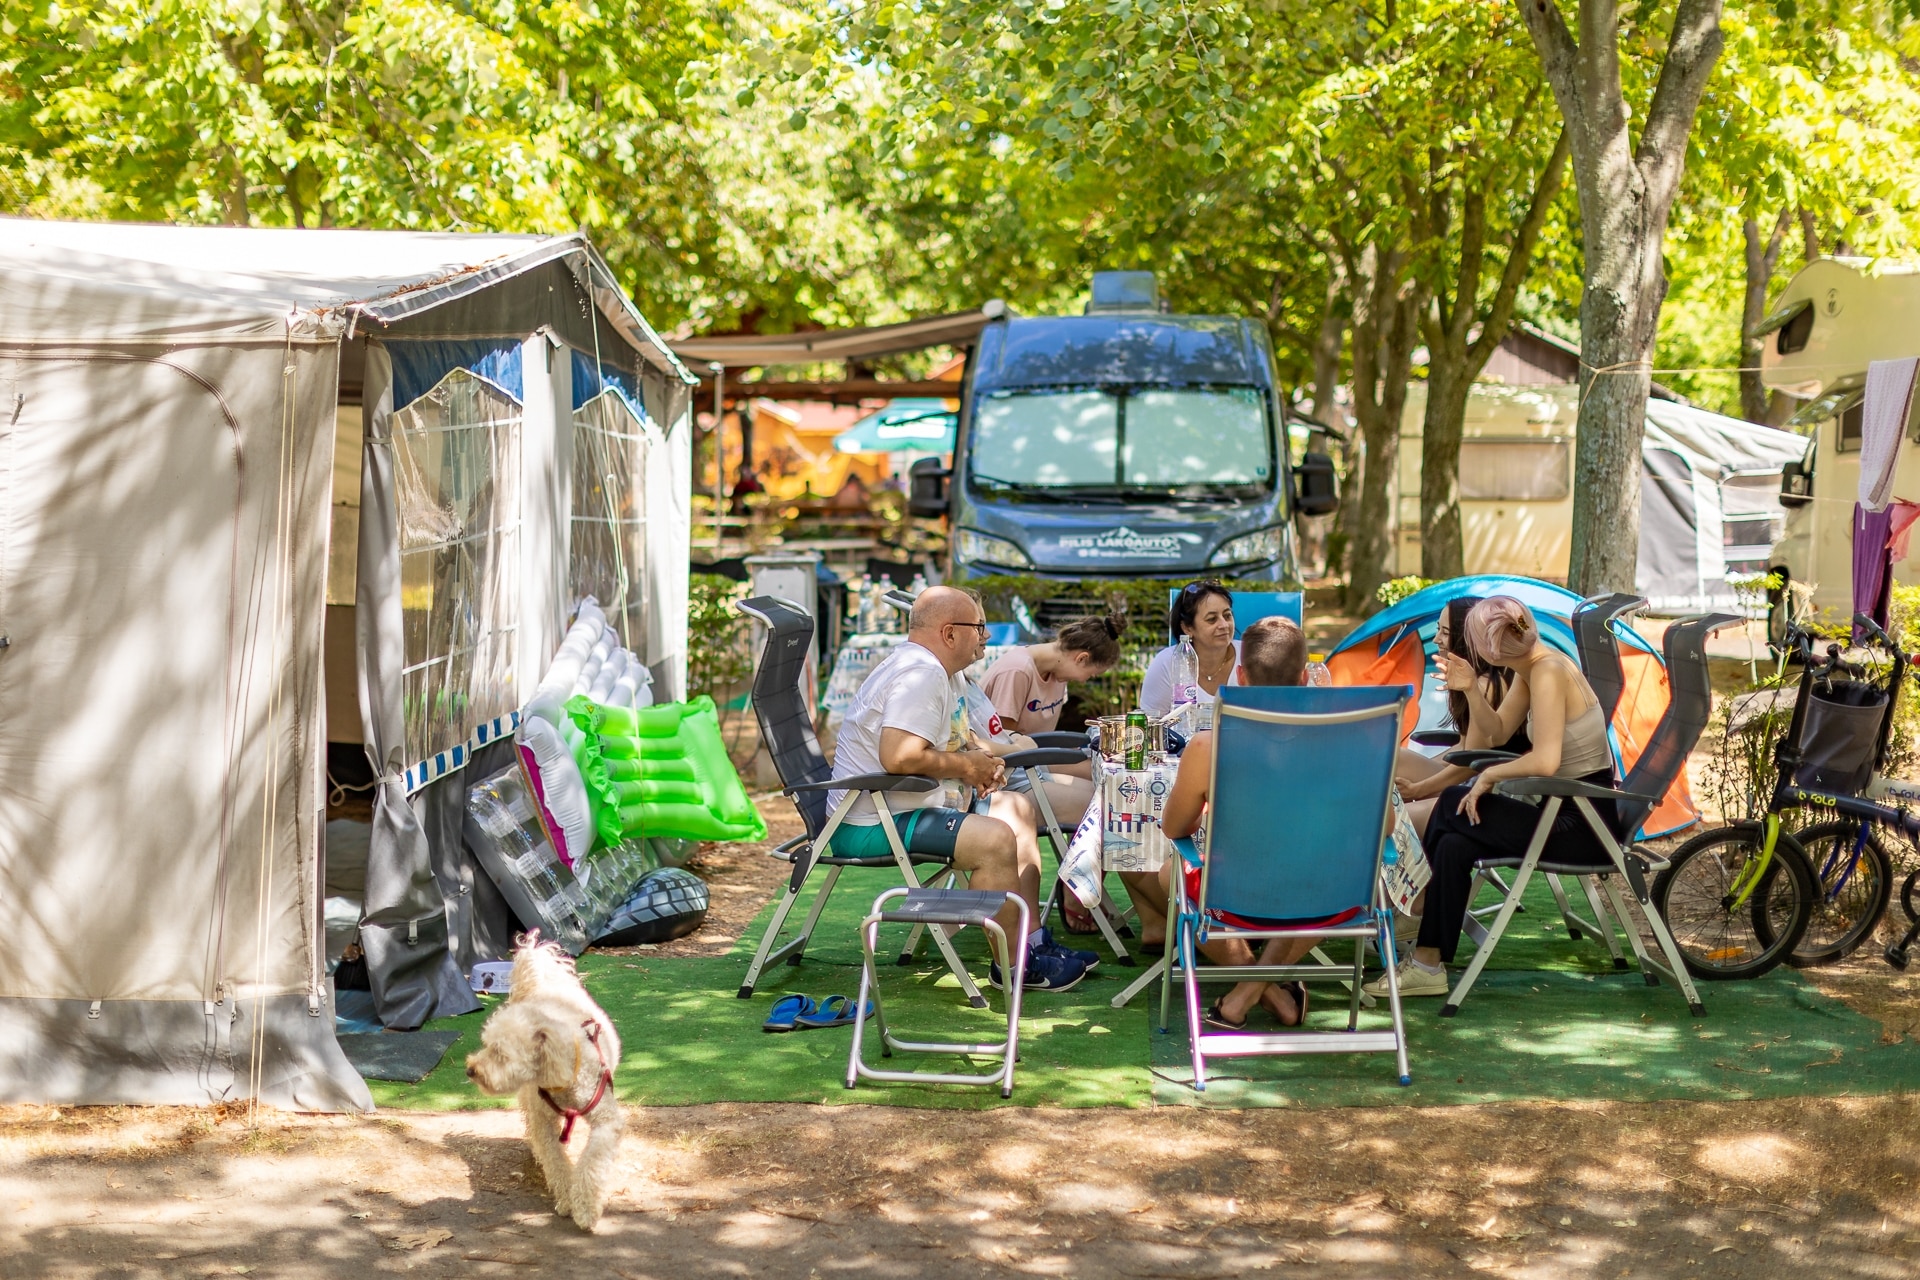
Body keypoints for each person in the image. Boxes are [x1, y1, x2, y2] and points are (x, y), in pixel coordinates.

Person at [826, 585, 1093, 992]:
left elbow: (949, 740)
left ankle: (1032, 943)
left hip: (904, 805)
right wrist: (968, 766)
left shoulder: (942, 673)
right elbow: (898, 756)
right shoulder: (922, 674)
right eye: (978, 627)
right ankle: (1014, 966)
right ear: (950, 633)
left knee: (1015, 808)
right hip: (870, 821)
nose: (985, 636)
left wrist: (981, 765)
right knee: (994, 839)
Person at [1367, 596, 1618, 998]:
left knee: (1451, 806)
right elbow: (1498, 732)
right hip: (1556, 808)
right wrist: (1471, 690)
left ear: (1489, 647)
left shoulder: (1549, 671)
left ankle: (1414, 907)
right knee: (1453, 842)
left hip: (1582, 822)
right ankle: (1427, 965)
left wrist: (1489, 777)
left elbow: (1547, 759)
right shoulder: (1529, 667)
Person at [1158, 616, 1322, 1029]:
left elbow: (1175, 828)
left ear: (1242, 676)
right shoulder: (1350, 742)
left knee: (1168, 875)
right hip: (1328, 891)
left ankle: (1247, 991)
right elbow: (1385, 828)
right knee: (1330, 878)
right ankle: (1267, 991)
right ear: (1305, 677)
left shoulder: (1207, 747)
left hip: (1233, 890)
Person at [1392, 597, 1533, 837]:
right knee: (1394, 758)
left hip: (1487, 789)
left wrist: (1418, 789)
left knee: (1392, 825)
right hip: (1471, 776)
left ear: (1467, 638)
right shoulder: (1473, 679)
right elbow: (1463, 747)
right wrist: (1419, 778)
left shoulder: (1487, 685)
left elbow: (1471, 765)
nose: (1437, 639)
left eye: (1445, 633)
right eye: (1438, 630)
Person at [980, 610, 1126, 738]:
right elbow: (1004, 742)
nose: (1085, 680)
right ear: (1082, 658)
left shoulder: (1059, 674)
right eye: (1092, 674)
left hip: (1033, 758)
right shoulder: (1018, 670)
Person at [1140, 580, 1241, 718]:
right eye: (1212, 619)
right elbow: (1149, 726)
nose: (1224, 624)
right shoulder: (1166, 663)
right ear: (1188, 628)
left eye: (1227, 616)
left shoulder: (1251, 656)